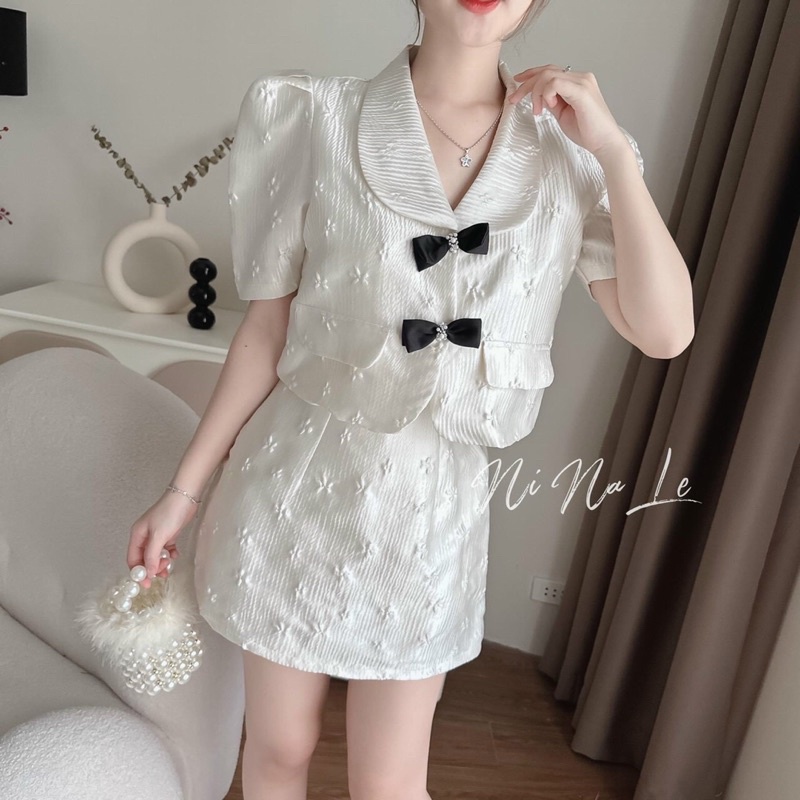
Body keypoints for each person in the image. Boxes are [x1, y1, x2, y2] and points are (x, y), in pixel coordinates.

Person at [127, 1, 693, 797]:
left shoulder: (573, 152)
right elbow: (266, 330)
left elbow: (665, 332)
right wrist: (182, 494)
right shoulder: (312, 116)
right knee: (280, 750)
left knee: (389, 783)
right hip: (290, 491)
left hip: (430, 518)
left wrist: (614, 156)